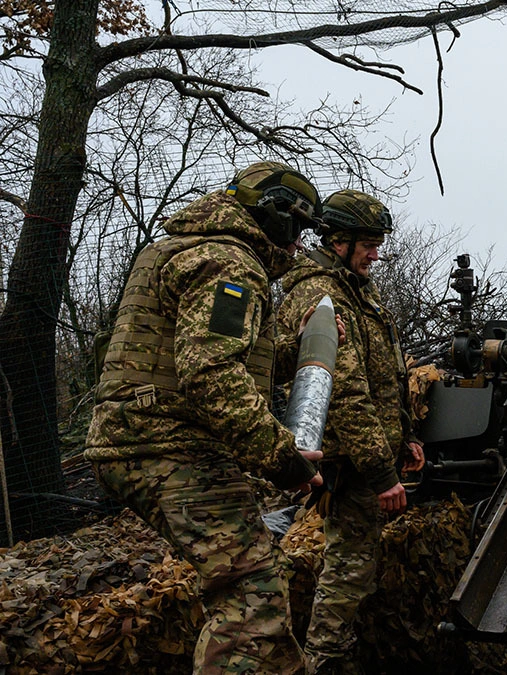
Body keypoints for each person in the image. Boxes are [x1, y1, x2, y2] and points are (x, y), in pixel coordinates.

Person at [85, 161, 327, 674]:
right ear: (278, 217)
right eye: (299, 228)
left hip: (142, 438)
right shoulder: (230, 264)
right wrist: (283, 458)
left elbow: (210, 356)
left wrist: (299, 347)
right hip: (169, 446)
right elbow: (211, 373)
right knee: (251, 597)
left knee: (251, 585)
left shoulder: (187, 248)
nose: (300, 242)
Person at [277, 188, 425, 675]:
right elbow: (343, 390)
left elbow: (387, 375)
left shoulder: (358, 289)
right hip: (352, 461)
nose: (377, 253)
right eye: (369, 244)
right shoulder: (320, 292)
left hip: (370, 452)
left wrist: (405, 437)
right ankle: (324, 662)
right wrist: (383, 473)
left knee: (355, 567)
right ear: (339, 241)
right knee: (348, 571)